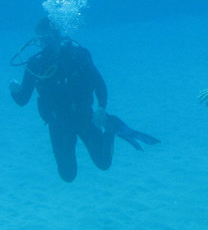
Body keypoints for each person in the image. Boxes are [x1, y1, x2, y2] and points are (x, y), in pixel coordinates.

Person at [10, 18, 158, 182]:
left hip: (84, 116)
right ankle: (109, 125)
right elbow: (22, 100)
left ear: (58, 37)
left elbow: (99, 83)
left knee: (103, 163)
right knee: (68, 175)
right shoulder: (35, 64)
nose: (46, 44)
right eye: (41, 40)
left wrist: (101, 108)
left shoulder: (78, 56)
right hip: (58, 123)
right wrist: (15, 91)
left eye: (49, 39)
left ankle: (111, 126)